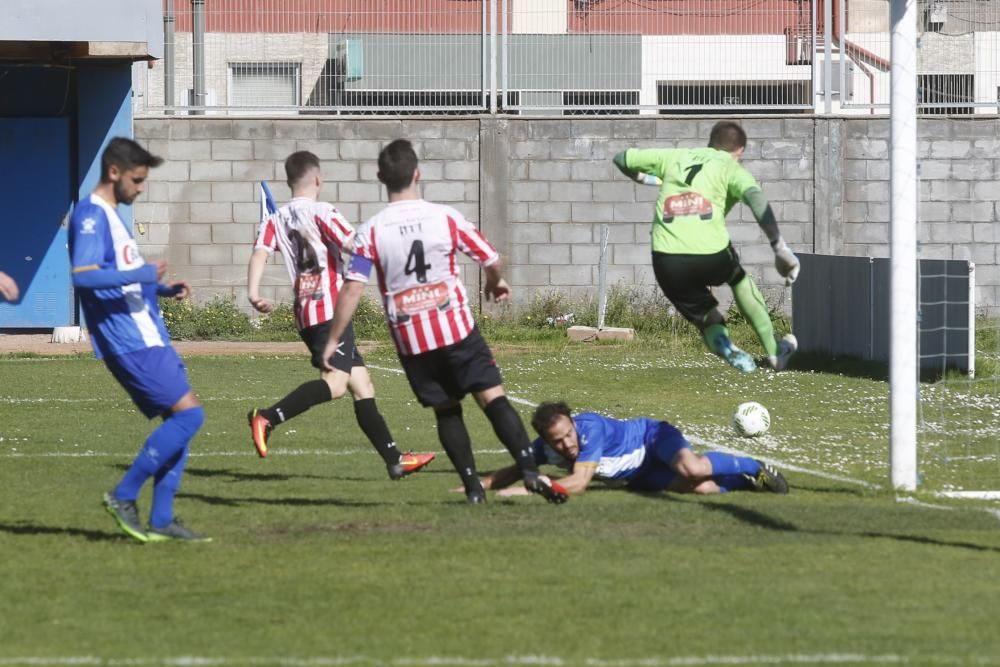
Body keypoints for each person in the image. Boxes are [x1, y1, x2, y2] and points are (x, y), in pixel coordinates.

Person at [318, 138, 567, 505]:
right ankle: (529, 469)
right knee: (493, 398)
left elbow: (353, 288)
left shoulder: (369, 231)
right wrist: (494, 281)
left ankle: (472, 490)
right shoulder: (445, 217)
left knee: (447, 410)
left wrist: (333, 338)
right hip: (455, 329)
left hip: (412, 338)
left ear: (379, 178)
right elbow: (489, 256)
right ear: (418, 173)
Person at [246, 150, 434, 480]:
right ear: (317, 179)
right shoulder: (321, 211)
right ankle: (268, 417)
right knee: (334, 385)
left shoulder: (274, 220)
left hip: (306, 313)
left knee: (362, 385)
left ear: (290, 182)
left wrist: (253, 292)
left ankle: (395, 460)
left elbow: (260, 253)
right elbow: (352, 243)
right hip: (332, 313)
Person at [69, 137, 209, 543]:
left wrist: (161, 288)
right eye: (138, 180)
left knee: (179, 422)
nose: (141, 188)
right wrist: (144, 274)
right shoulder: (91, 216)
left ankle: (162, 519)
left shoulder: (113, 215)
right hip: (129, 338)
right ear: (114, 173)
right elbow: (84, 275)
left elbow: (123, 277)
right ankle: (123, 494)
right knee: (189, 417)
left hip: (148, 333)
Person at [612, 120, 800, 374]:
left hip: (667, 257)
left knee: (708, 320)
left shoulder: (677, 157)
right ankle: (774, 351)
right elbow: (756, 198)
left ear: (710, 143)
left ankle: (725, 346)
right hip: (710, 251)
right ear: (740, 151)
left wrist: (647, 179)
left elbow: (622, 159)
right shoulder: (730, 166)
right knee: (739, 280)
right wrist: (779, 246)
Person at [480, 401, 789, 497]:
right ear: (545, 440)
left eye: (567, 435)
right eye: (557, 441)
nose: (567, 444)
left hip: (651, 438)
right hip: (636, 474)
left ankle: (754, 466)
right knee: (700, 488)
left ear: (573, 424)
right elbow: (514, 470)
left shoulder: (590, 430)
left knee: (691, 468)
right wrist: (477, 486)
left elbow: (580, 482)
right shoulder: (544, 448)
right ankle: (748, 485)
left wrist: (533, 489)